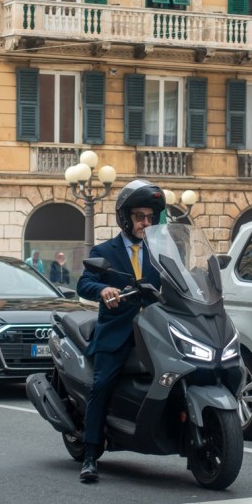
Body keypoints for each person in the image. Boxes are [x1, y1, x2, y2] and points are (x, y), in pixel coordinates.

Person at [75, 179, 165, 483]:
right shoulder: (105, 251)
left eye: (150, 218)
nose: (146, 223)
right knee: (101, 385)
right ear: (125, 217)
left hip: (155, 333)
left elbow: (178, 281)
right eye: (140, 217)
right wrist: (103, 290)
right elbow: (84, 284)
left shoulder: (159, 251)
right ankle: (90, 454)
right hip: (116, 335)